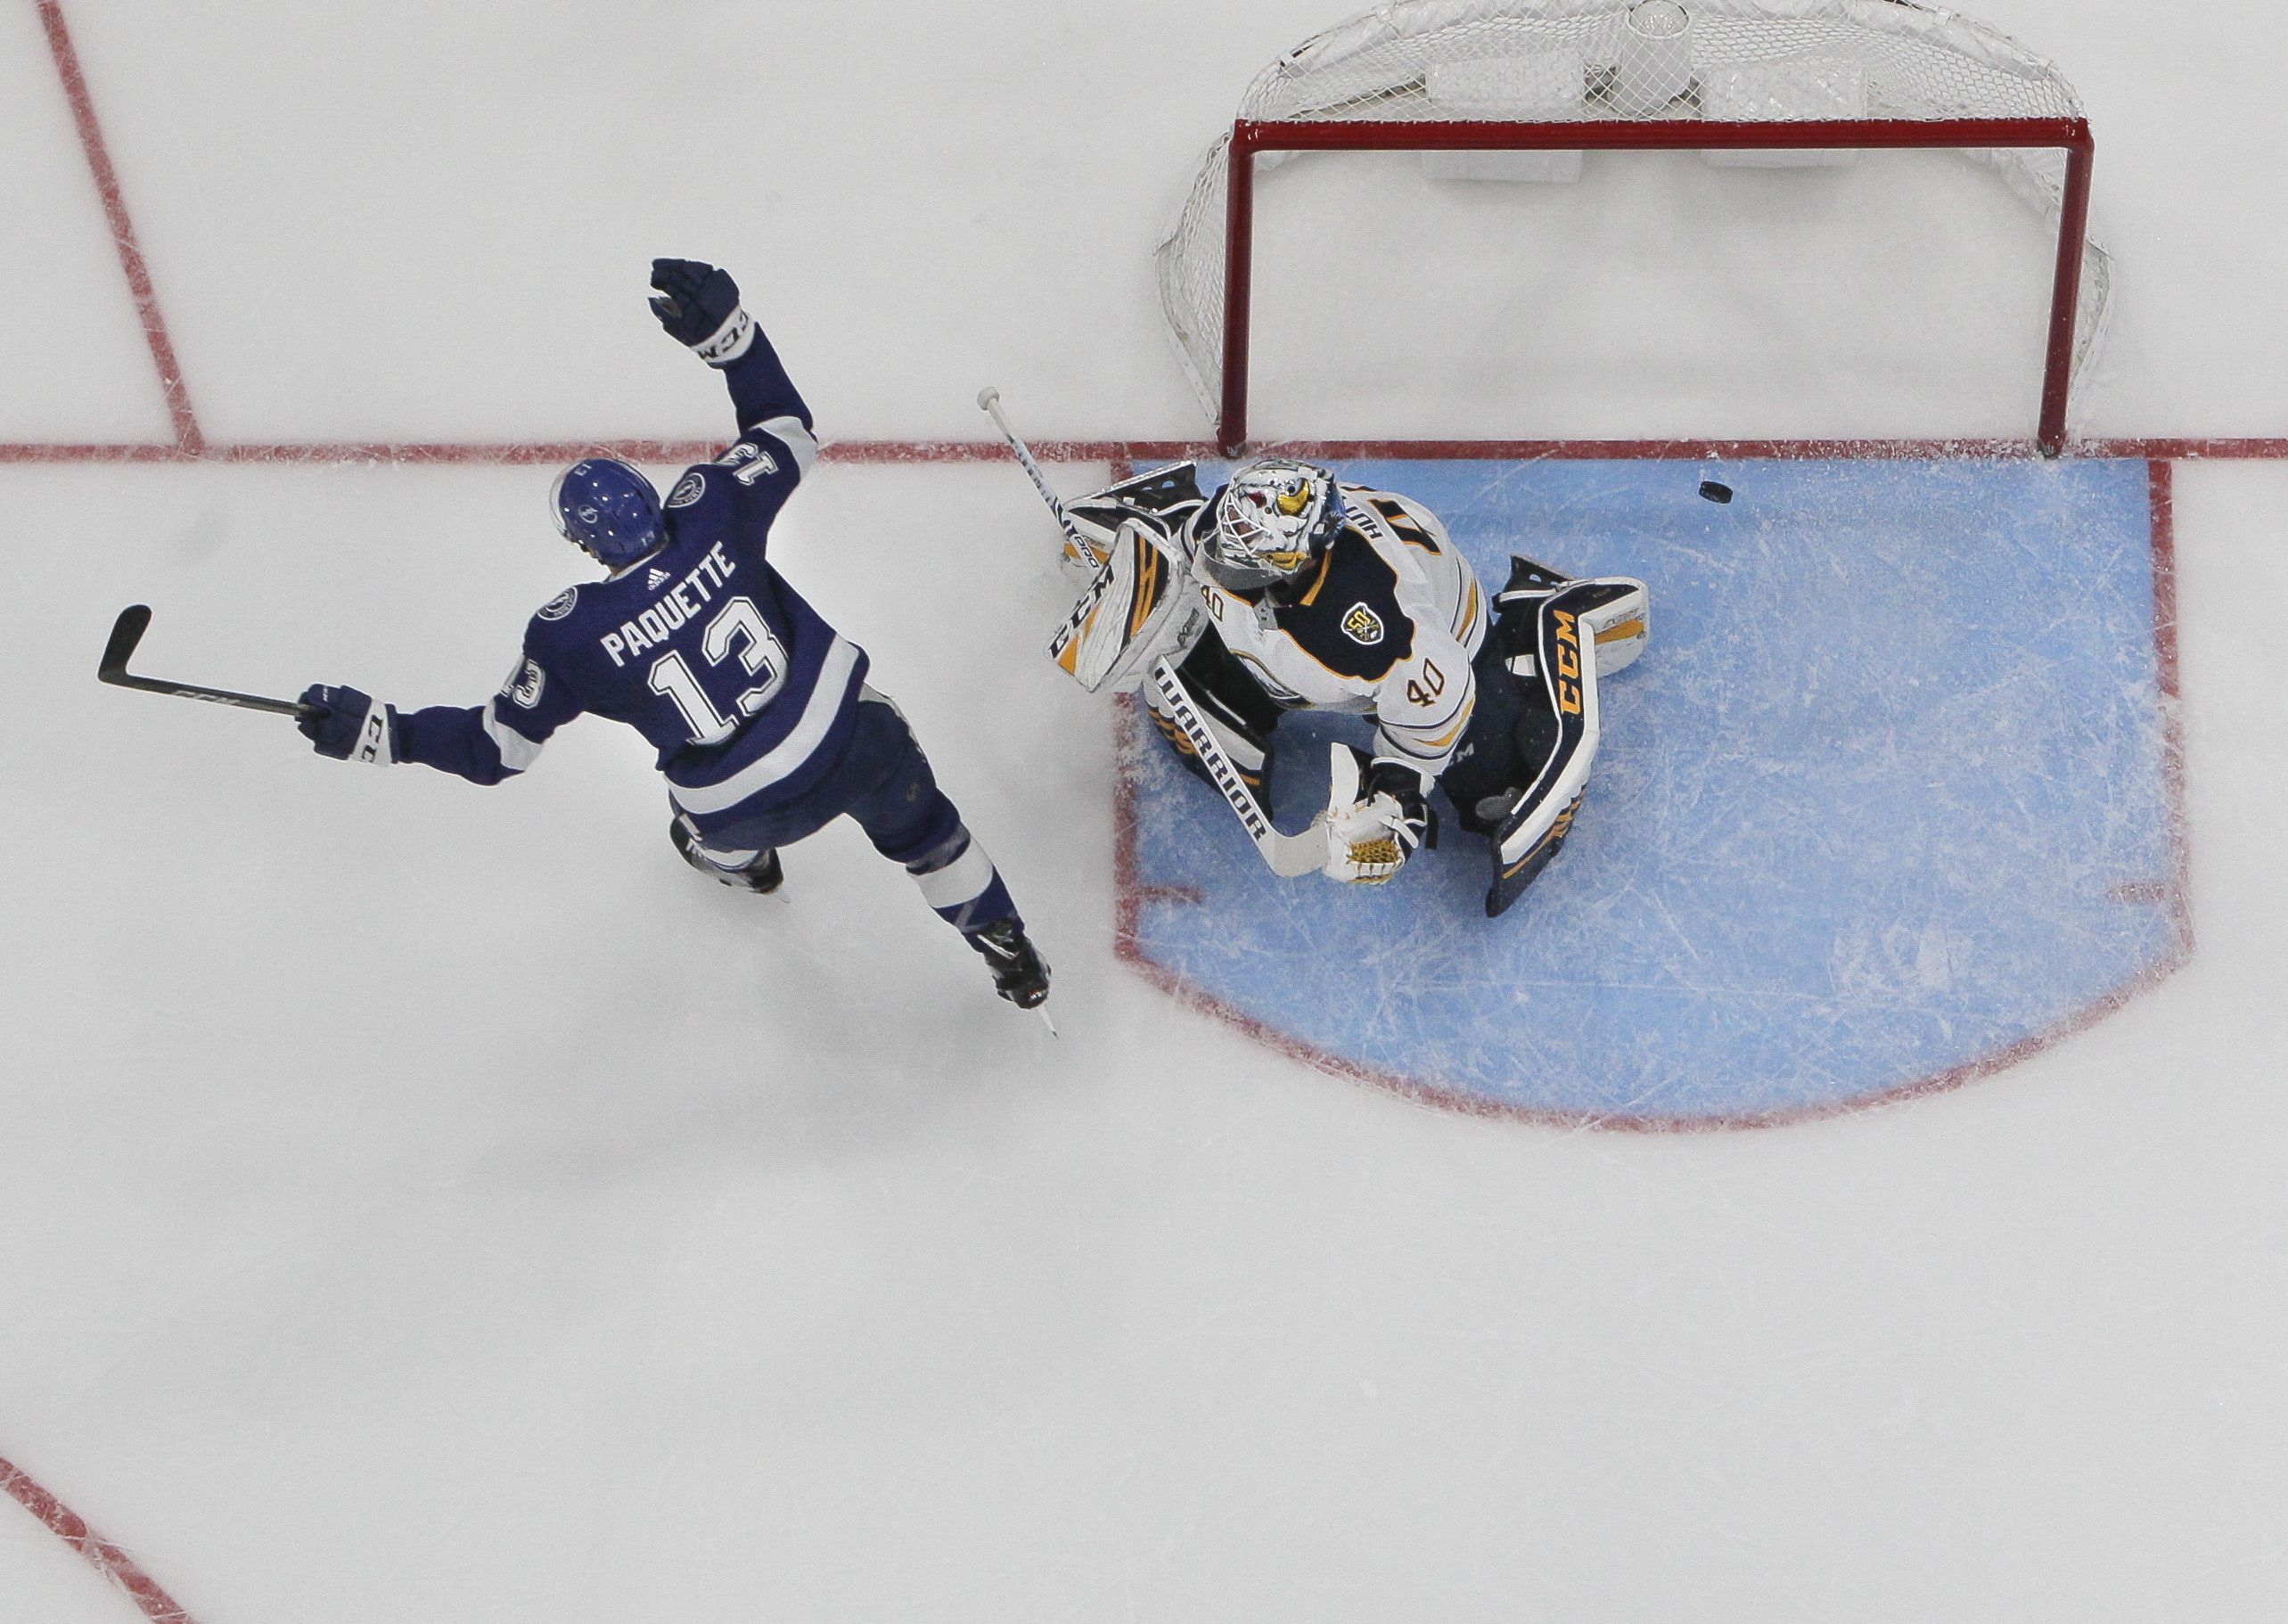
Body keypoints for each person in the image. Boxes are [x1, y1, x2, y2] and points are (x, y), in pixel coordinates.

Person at [296, 259, 1049, 1010]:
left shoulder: (571, 635)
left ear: (586, 548)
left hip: (740, 801)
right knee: (927, 834)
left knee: (701, 824)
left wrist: (386, 734)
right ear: (654, 498)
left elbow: (497, 751)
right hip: (854, 741)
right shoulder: (713, 509)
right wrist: (732, 340)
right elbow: (787, 430)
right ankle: (1007, 948)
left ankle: (745, 867)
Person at [1054, 456, 1646, 913]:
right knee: (1200, 730)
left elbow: (1433, 719)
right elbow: (1196, 542)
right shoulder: (1241, 524)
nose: (1214, 554)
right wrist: (1142, 564)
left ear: (1296, 565)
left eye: (1236, 559)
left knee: (1492, 790)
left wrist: (1396, 804)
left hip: (1451, 653)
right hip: (1298, 644)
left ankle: (1532, 622)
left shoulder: (1376, 632)